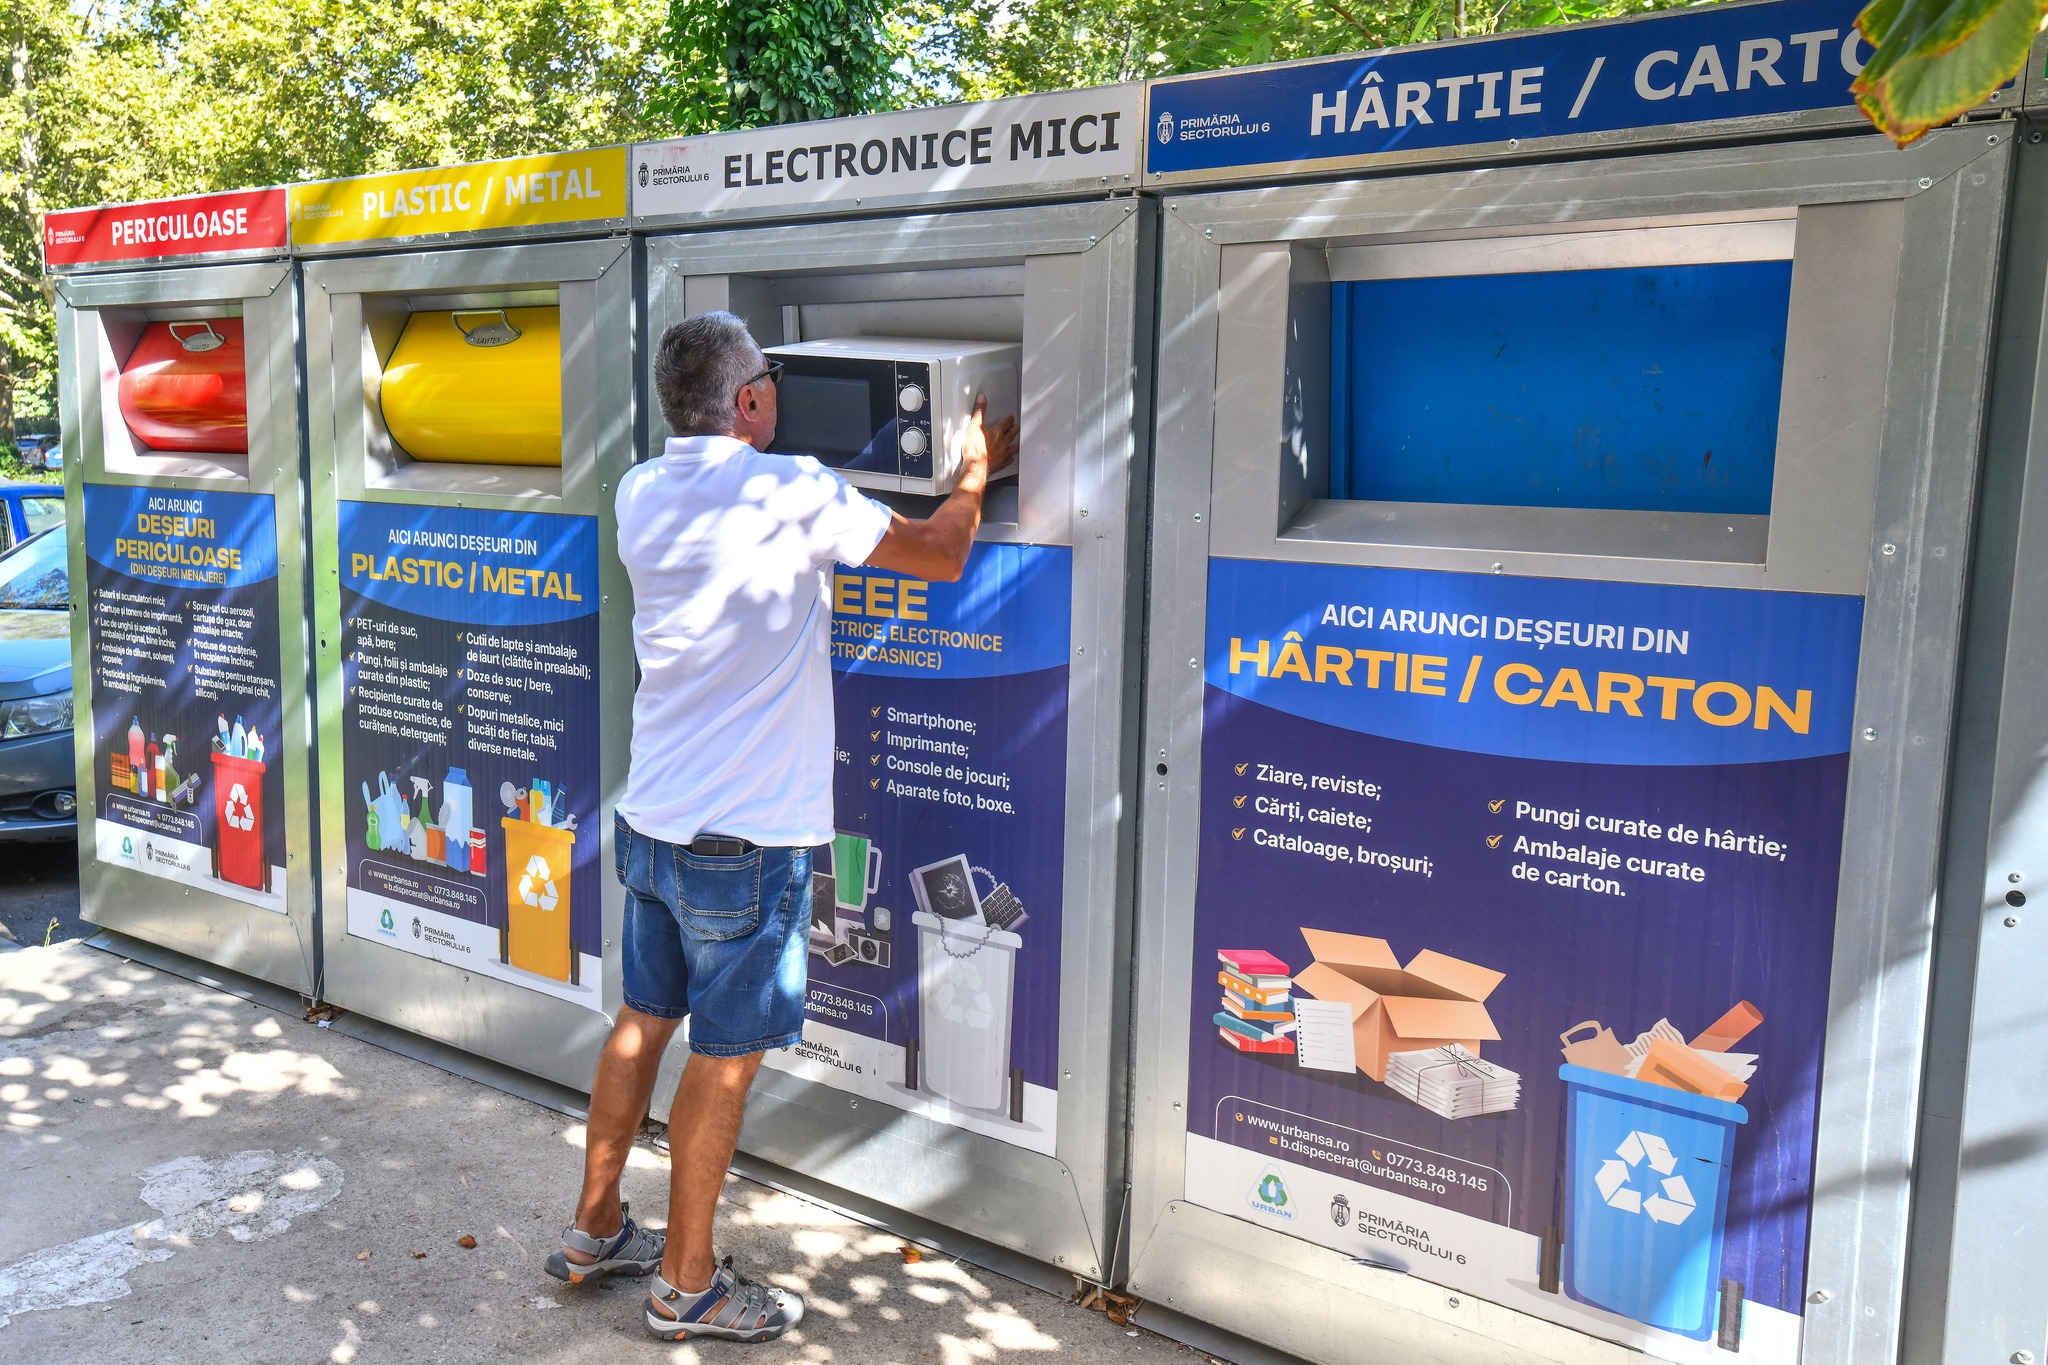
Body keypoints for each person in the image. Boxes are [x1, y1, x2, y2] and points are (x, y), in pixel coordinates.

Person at [544, 311, 1016, 1343]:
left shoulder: (637, 490)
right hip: (748, 842)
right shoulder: (793, 488)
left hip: (656, 822)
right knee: (724, 1057)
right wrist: (976, 468)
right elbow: (941, 554)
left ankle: (595, 1229)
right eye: (771, 382)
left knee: (641, 1021)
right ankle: (687, 1285)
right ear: (750, 399)